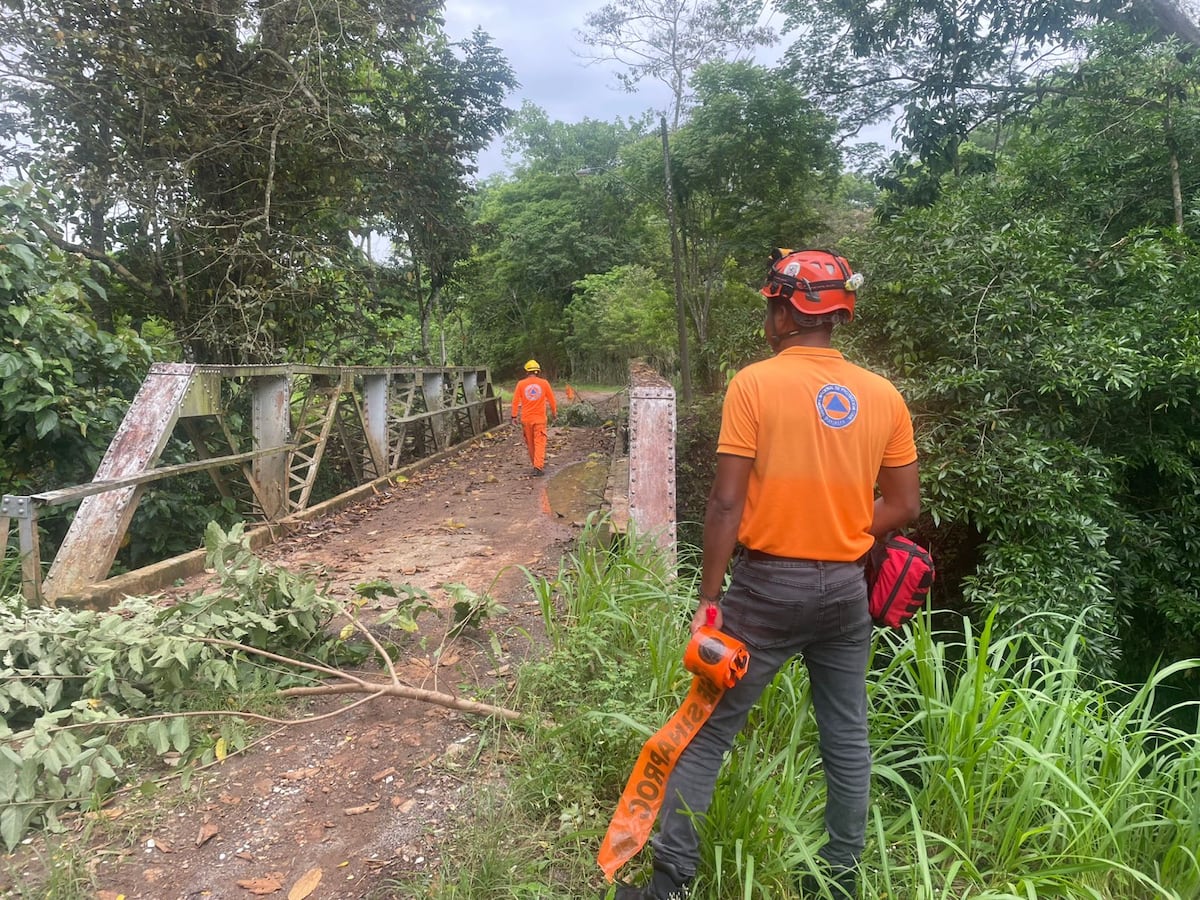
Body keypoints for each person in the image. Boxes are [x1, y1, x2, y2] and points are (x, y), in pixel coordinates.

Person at [613, 249, 921, 900]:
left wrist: (708, 598)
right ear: (836, 313)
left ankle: (668, 886)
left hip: (764, 593)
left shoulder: (755, 384)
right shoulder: (884, 396)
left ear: (786, 311)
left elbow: (726, 503)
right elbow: (904, 506)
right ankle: (838, 880)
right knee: (846, 736)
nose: (767, 316)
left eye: (770, 305)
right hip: (845, 594)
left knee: (706, 732)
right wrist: (842, 525)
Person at [511, 359, 558, 476]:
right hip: (540, 420)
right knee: (540, 442)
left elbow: (515, 401)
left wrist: (514, 416)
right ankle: (538, 466)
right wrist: (554, 413)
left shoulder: (521, 384)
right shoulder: (544, 383)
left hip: (526, 419)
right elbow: (552, 400)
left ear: (527, 372)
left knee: (531, 443)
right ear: (538, 371)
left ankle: (535, 464)